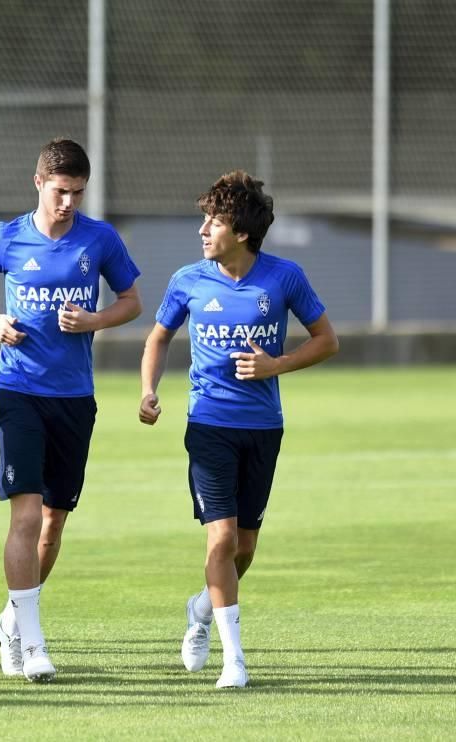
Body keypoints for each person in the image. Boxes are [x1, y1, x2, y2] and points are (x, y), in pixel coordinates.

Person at [139, 170, 338, 688]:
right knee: (221, 539)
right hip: (208, 425)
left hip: (264, 427)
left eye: (214, 221)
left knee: (244, 548)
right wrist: (149, 389)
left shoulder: (284, 277)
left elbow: (326, 341)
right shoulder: (187, 279)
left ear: (242, 233)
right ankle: (235, 660)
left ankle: (201, 609)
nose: (202, 230)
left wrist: (278, 365)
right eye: (203, 219)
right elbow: (158, 337)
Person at [0, 138, 142, 682]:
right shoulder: (7, 237)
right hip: (17, 390)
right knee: (27, 512)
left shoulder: (100, 239)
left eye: (78, 194)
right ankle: (33, 643)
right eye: (61, 191)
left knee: (54, 523)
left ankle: (11, 621)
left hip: (74, 396)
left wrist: (95, 321)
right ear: (39, 183)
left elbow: (132, 301)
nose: (68, 203)